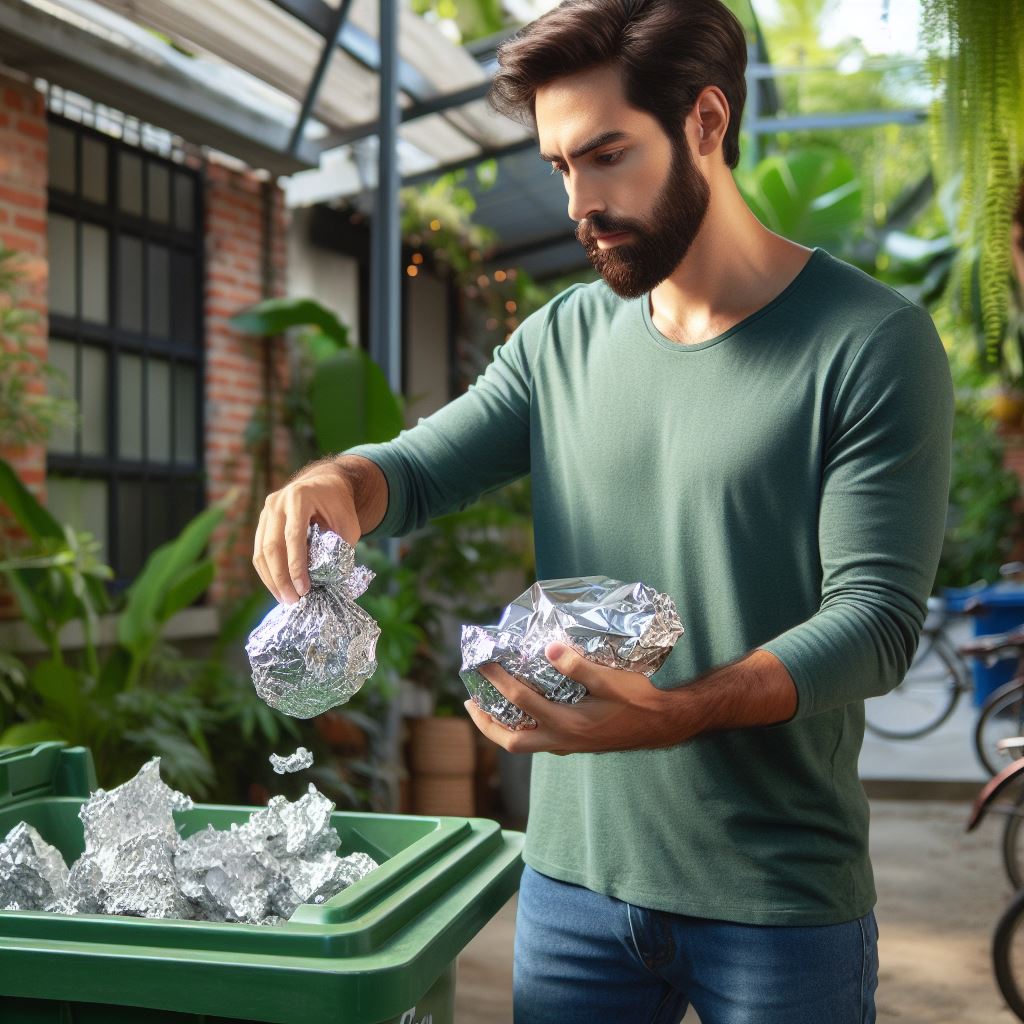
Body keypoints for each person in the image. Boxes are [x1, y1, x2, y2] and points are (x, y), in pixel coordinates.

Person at [253, 1, 953, 1020]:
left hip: (775, 899)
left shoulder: (869, 344)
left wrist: (679, 713)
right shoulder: (562, 337)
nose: (579, 199)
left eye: (607, 154)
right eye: (559, 165)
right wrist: (337, 481)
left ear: (706, 123)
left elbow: (878, 622)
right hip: (572, 889)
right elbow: (415, 471)